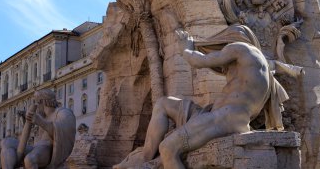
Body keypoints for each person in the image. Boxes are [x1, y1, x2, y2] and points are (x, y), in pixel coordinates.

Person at [114, 25, 289, 169]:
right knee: (163, 103)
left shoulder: (239, 48)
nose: (225, 69)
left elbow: (200, 61)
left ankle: (149, 159)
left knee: (168, 148)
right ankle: (146, 156)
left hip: (225, 119)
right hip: (214, 114)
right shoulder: (260, 67)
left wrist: (186, 49)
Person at [0, 89, 76, 169]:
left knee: (30, 159)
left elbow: (65, 132)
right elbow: (28, 136)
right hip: (36, 147)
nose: (35, 106)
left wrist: (40, 122)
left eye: (36, 102)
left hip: (49, 150)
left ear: (42, 102)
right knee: (6, 142)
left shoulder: (62, 112)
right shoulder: (42, 116)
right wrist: (26, 120)